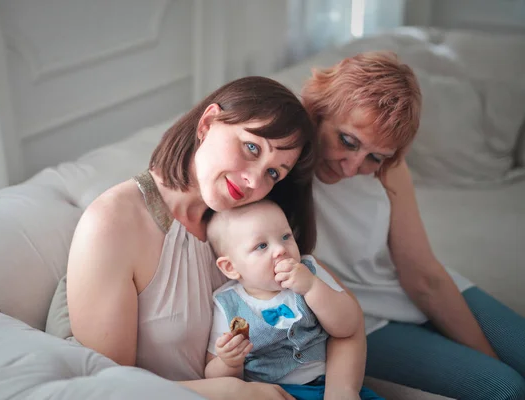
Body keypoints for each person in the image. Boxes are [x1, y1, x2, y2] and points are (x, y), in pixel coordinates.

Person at [65, 76, 320, 400]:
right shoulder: (111, 223)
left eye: (273, 173)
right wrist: (227, 391)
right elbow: (107, 387)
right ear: (208, 122)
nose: (254, 179)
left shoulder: (249, 222)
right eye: (251, 147)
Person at [301, 51, 525, 399]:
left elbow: (421, 274)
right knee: (505, 388)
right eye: (347, 141)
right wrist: (494, 369)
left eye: (374, 156)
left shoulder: (388, 169)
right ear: (319, 110)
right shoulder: (282, 159)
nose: (351, 167)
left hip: (404, 285)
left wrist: (487, 355)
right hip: (362, 318)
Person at [204, 199, 382, 400]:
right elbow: (213, 377)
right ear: (231, 267)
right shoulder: (227, 304)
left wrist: (312, 287)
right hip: (271, 392)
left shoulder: (309, 271)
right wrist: (228, 362)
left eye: (285, 236)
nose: (280, 249)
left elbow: (348, 325)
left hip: (327, 383)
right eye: (262, 245)